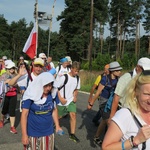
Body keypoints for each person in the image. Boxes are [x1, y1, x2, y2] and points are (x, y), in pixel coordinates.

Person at [102, 70, 150, 150]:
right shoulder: (125, 115)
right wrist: (135, 140)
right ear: (136, 92)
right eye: (147, 94)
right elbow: (106, 147)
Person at [21, 72, 63, 150]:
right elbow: (24, 115)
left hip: (48, 132)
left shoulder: (52, 94)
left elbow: (54, 110)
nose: (48, 88)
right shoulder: (31, 94)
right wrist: (24, 135)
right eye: (46, 85)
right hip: (32, 132)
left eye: (50, 85)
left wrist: (57, 125)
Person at [87, 61, 122, 146]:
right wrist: (91, 103)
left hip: (111, 102)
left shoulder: (118, 79)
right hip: (103, 102)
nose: (119, 72)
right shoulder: (105, 79)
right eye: (117, 70)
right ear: (113, 71)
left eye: (120, 70)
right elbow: (98, 92)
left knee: (103, 121)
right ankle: (109, 144)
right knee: (109, 123)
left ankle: (96, 137)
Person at [108, 57, 150, 125]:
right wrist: (112, 116)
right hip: (124, 111)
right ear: (137, 67)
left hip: (137, 113)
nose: (145, 72)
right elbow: (116, 97)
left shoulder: (145, 79)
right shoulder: (126, 77)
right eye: (144, 69)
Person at [55, 61, 81, 143]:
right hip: (61, 101)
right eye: (75, 70)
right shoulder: (64, 77)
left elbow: (76, 89)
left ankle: (72, 134)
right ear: (71, 69)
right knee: (58, 117)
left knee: (73, 115)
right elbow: (56, 88)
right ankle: (54, 124)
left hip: (70, 100)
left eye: (78, 71)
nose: (76, 73)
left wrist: (75, 96)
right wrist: (61, 98)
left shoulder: (77, 78)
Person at [0, 61, 18, 134]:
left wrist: (13, 83)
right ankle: (1, 120)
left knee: (12, 111)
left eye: (13, 68)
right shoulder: (4, 75)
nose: (12, 70)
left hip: (13, 94)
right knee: (4, 110)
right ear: (7, 68)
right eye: (10, 68)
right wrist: (6, 82)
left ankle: (12, 127)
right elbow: (1, 84)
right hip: (5, 95)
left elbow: (17, 84)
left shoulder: (16, 75)